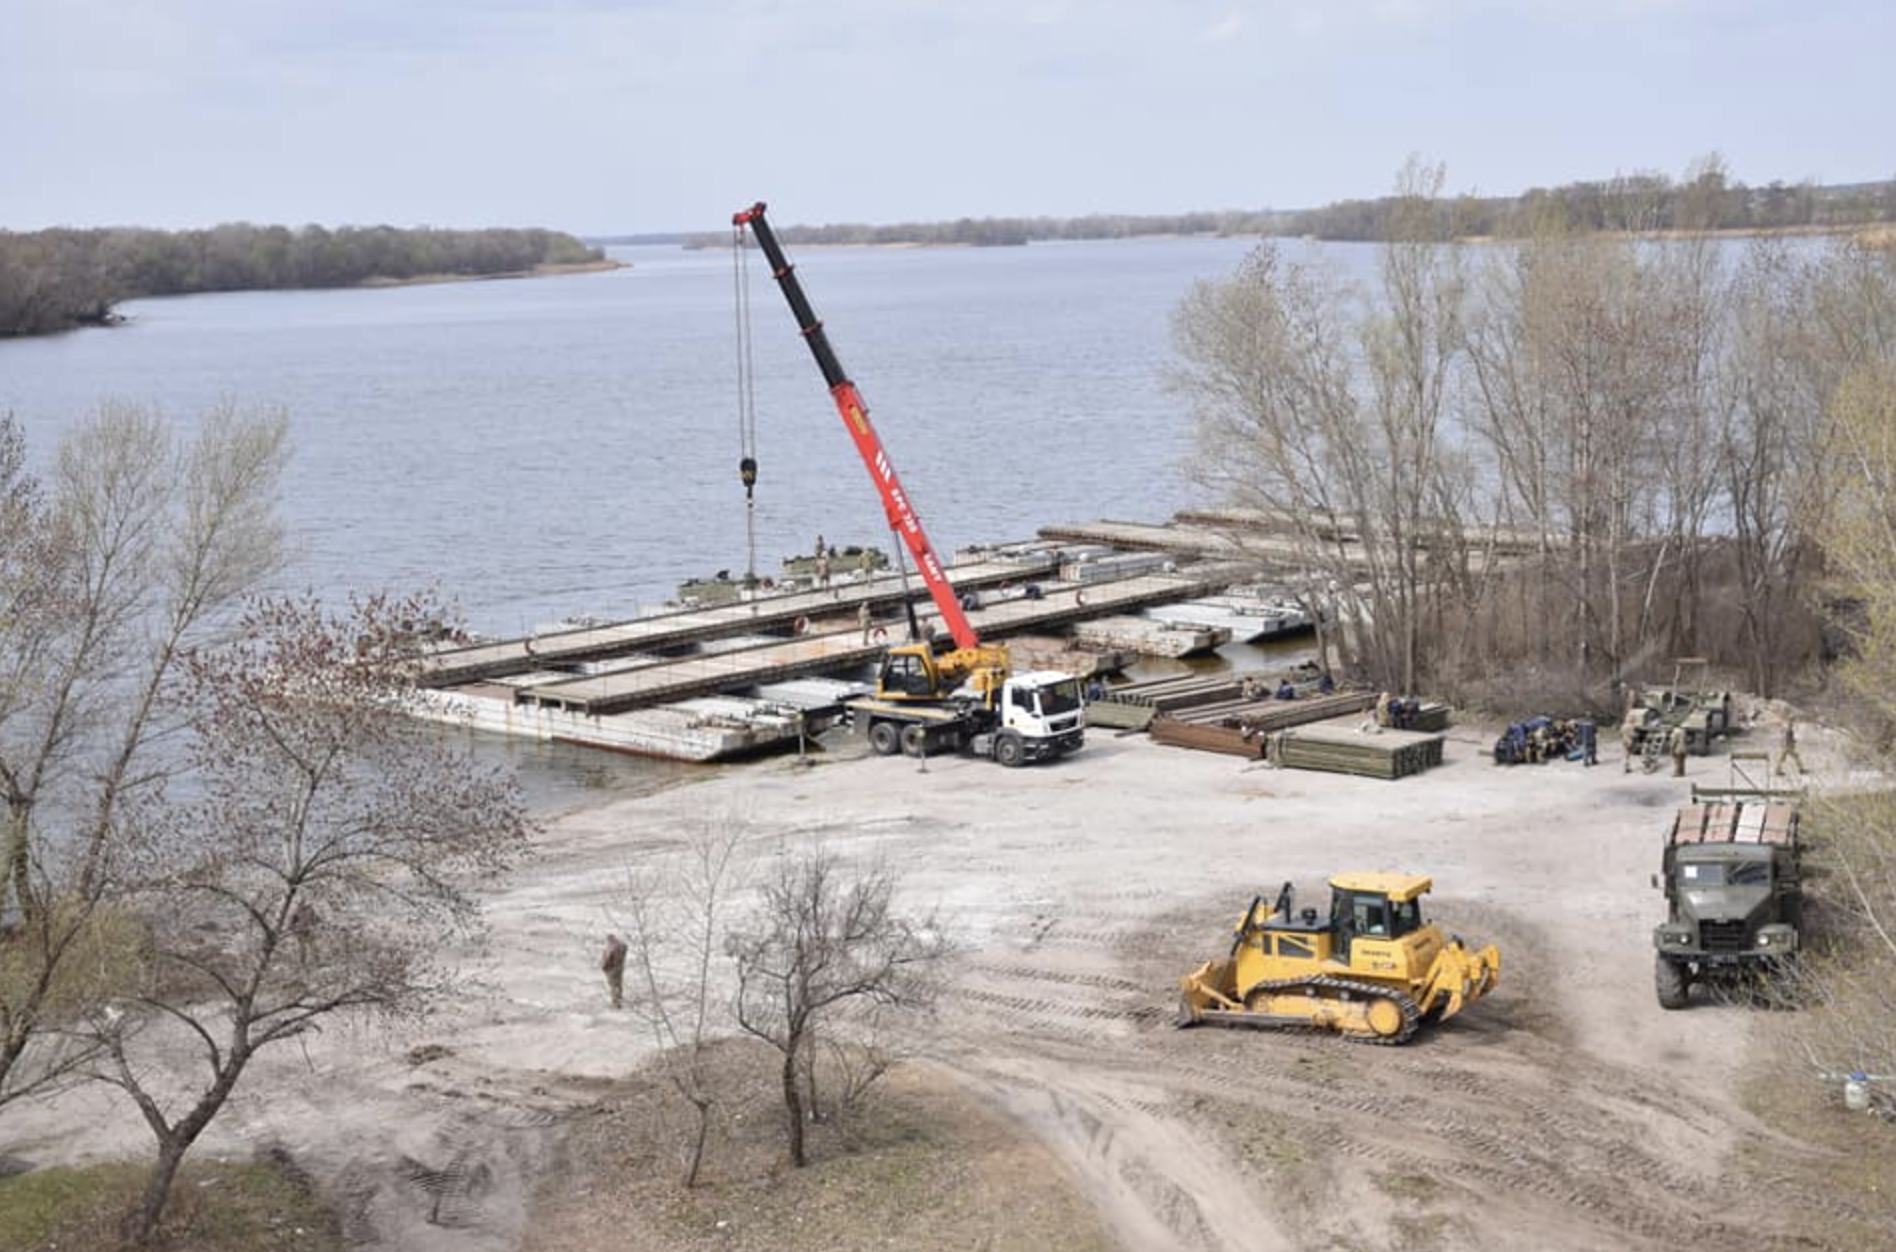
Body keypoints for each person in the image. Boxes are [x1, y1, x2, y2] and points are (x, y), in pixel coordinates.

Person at [601, 933, 627, 1010]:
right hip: (620, 969)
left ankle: (615, 1003)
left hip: (612, 969)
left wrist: (604, 967)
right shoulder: (621, 946)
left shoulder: (611, 948)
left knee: (613, 986)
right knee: (618, 985)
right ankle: (618, 1001)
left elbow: (607, 960)